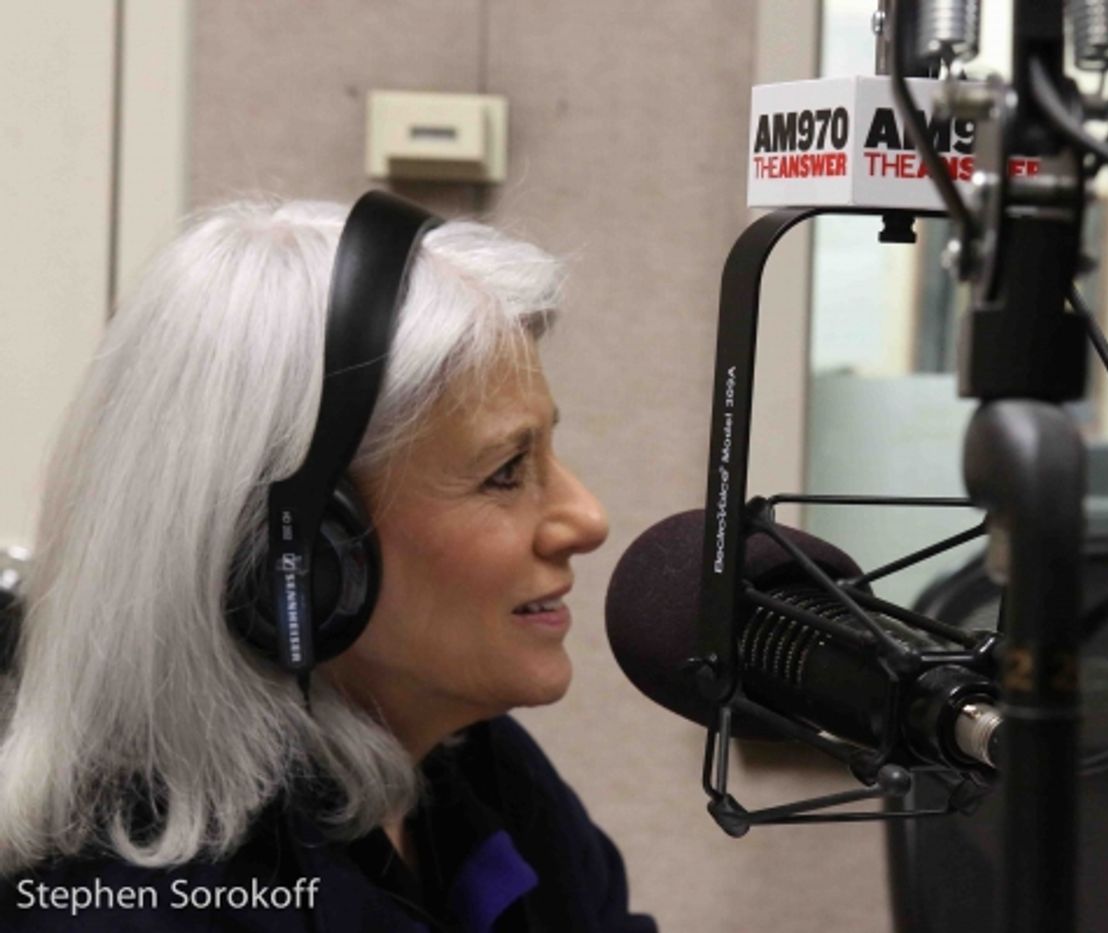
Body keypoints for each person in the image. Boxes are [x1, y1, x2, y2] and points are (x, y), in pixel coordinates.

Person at [0, 195, 656, 932]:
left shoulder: (478, 770)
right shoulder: (131, 911)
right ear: (301, 552)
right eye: (506, 470)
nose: (586, 519)